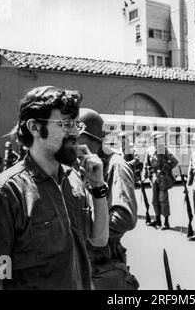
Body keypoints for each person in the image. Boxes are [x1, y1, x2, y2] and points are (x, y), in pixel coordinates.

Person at [0, 86, 109, 290]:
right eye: (65, 124)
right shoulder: (5, 193)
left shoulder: (73, 179)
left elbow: (99, 239)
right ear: (35, 128)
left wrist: (98, 186)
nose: (74, 132)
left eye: (76, 124)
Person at [77, 108, 139, 290]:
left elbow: (124, 218)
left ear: (91, 140)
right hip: (88, 262)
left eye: (77, 140)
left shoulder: (116, 165)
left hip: (104, 263)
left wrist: (89, 233)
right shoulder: (86, 163)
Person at [144, 131, 179, 230]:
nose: (159, 141)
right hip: (154, 178)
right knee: (155, 200)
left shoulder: (165, 150)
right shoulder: (149, 150)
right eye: (157, 139)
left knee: (163, 200)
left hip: (163, 178)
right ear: (153, 141)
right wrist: (144, 176)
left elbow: (175, 161)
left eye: (160, 139)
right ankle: (157, 220)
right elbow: (146, 164)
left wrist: (167, 168)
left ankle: (166, 222)